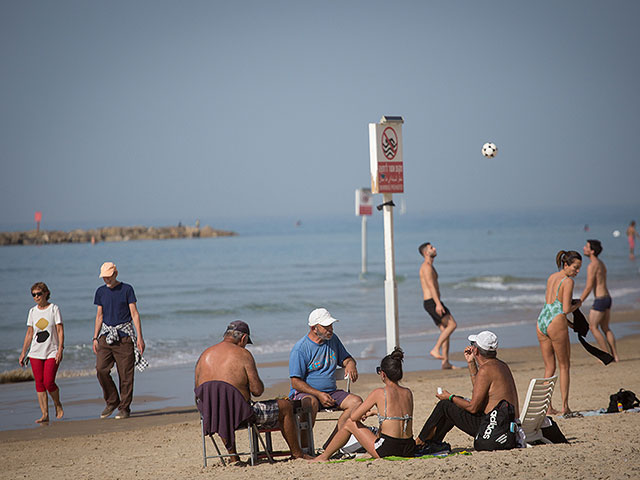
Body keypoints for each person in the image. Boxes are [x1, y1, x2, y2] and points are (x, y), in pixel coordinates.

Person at [195, 321, 311, 460]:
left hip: (211, 416)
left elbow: (198, 391)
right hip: (241, 415)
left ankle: (234, 457)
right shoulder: (243, 354)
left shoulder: (204, 355)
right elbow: (257, 391)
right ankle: (297, 454)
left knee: (222, 407)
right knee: (285, 406)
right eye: (246, 342)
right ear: (243, 338)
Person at [415, 331, 519, 447]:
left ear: (476, 350)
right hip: (505, 422)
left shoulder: (485, 370)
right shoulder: (501, 365)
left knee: (445, 404)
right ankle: (431, 443)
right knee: (454, 403)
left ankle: (420, 441)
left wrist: (450, 396)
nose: (471, 346)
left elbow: (473, 408)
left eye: (472, 344)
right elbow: (478, 392)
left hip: (492, 427)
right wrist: (471, 363)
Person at [313, 348, 414, 461]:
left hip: (389, 449)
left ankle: (324, 456)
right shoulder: (408, 393)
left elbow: (354, 417)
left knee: (350, 424)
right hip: (409, 447)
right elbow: (396, 414)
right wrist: (374, 412)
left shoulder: (379, 393)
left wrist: (361, 413)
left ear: (383, 374)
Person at [289, 308, 362, 440]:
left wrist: (351, 364)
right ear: (314, 328)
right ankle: (305, 447)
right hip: (306, 395)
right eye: (326, 326)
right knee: (312, 403)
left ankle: (332, 443)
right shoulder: (300, 349)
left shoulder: (333, 340)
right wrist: (318, 394)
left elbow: (346, 358)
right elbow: (295, 382)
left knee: (356, 402)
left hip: (331, 393)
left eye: (331, 325)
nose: (331, 329)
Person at [93, 262, 145, 419]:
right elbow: (99, 315)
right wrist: (95, 337)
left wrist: (139, 338)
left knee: (126, 376)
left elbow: (134, 313)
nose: (106, 280)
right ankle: (112, 401)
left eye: (109, 276)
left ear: (115, 274)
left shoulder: (127, 289)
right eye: (104, 277)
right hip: (106, 337)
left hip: (124, 337)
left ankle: (124, 408)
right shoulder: (100, 292)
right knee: (101, 369)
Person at [537, 250, 582, 416]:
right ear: (566, 265)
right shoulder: (568, 281)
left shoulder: (552, 276)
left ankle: (546, 407)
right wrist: (579, 303)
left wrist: (569, 324)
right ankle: (565, 407)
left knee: (549, 367)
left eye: (579, 268)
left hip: (542, 320)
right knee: (564, 366)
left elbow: (552, 303)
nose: (577, 271)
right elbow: (565, 309)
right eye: (575, 268)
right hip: (556, 322)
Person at [18, 282, 64, 423]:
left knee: (49, 382)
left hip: (52, 351)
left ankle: (57, 404)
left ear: (45, 293)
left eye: (39, 294)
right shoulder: (32, 312)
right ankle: (45, 414)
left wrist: (61, 348)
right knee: (39, 383)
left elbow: (60, 330)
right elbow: (29, 334)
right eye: (34, 295)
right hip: (35, 353)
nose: (36, 297)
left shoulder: (53, 309)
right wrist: (23, 352)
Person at [419, 242, 457, 369]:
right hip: (432, 302)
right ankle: (435, 349)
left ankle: (445, 362)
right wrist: (438, 304)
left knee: (445, 330)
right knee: (452, 325)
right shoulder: (426, 267)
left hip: (432, 302)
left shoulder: (430, 266)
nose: (434, 249)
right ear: (426, 253)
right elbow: (431, 286)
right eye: (431, 248)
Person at [579, 240, 619, 362]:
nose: (584, 248)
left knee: (593, 327)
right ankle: (615, 356)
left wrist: (579, 301)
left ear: (592, 251)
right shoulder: (601, 263)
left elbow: (589, 286)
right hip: (607, 298)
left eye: (586, 246)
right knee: (606, 328)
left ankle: (606, 355)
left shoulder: (592, 265)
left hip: (600, 300)